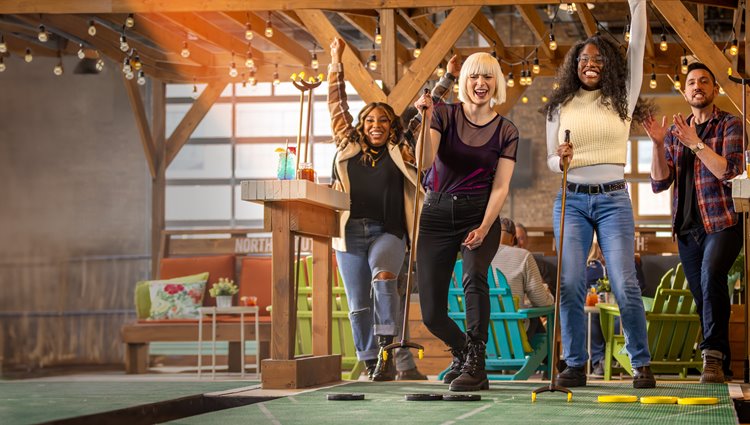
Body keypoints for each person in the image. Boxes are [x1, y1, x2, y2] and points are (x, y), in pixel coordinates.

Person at [327, 37, 455, 381]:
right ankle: (371, 362)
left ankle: (386, 348)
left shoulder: (402, 147)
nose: (377, 126)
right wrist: (334, 63)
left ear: (391, 126)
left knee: (384, 280)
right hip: (350, 232)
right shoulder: (347, 143)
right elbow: (336, 105)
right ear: (362, 125)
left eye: (383, 121)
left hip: (389, 231)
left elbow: (429, 107)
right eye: (370, 121)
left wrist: (449, 77)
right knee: (357, 302)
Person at [543, 0, 655, 388]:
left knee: (624, 281)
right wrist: (561, 158)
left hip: (612, 201)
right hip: (571, 199)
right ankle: (574, 365)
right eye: (583, 59)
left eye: (597, 59)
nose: (589, 64)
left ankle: (641, 363)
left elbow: (637, 45)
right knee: (571, 281)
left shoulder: (623, 96)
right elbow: (551, 163)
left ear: (608, 63)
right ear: (574, 65)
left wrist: (638, 4)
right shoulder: (559, 106)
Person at [414, 52, 518, 391]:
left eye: (488, 77)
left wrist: (486, 226)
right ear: (465, 81)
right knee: (431, 313)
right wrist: (424, 118)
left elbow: (501, 186)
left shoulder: (506, 130)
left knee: (475, 277)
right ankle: (463, 350)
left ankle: (477, 365)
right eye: (475, 76)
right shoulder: (443, 114)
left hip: (480, 213)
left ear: (496, 83)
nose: (481, 83)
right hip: (436, 213)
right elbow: (425, 161)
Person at [644, 62, 745, 383]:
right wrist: (659, 145)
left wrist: (696, 143)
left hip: (722, 222)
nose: (697, 85)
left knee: (711, 275)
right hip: (687, 228)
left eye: (704, 81)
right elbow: (660, 183)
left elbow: (728, 172)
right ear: (685, 92)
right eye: (691, 82)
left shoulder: (730, 124)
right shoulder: (675, 132)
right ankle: (722, 363)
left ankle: (711, 359)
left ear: (714, 90)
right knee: (704, 294)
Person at [490, 217, 554, 340]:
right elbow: (541, 301)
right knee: (534, 320)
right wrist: (550, 297)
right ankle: (548, 358)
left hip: (482, 339)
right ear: (513, 239)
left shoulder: (472, 258)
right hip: (514, 338)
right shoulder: (523, 256)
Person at [515, 222, 555, 292]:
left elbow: (548, 294)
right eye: (515, 239)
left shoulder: (542, 267)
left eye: (521, 238)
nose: (517, 243)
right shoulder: (505, 264)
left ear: (527, 240)